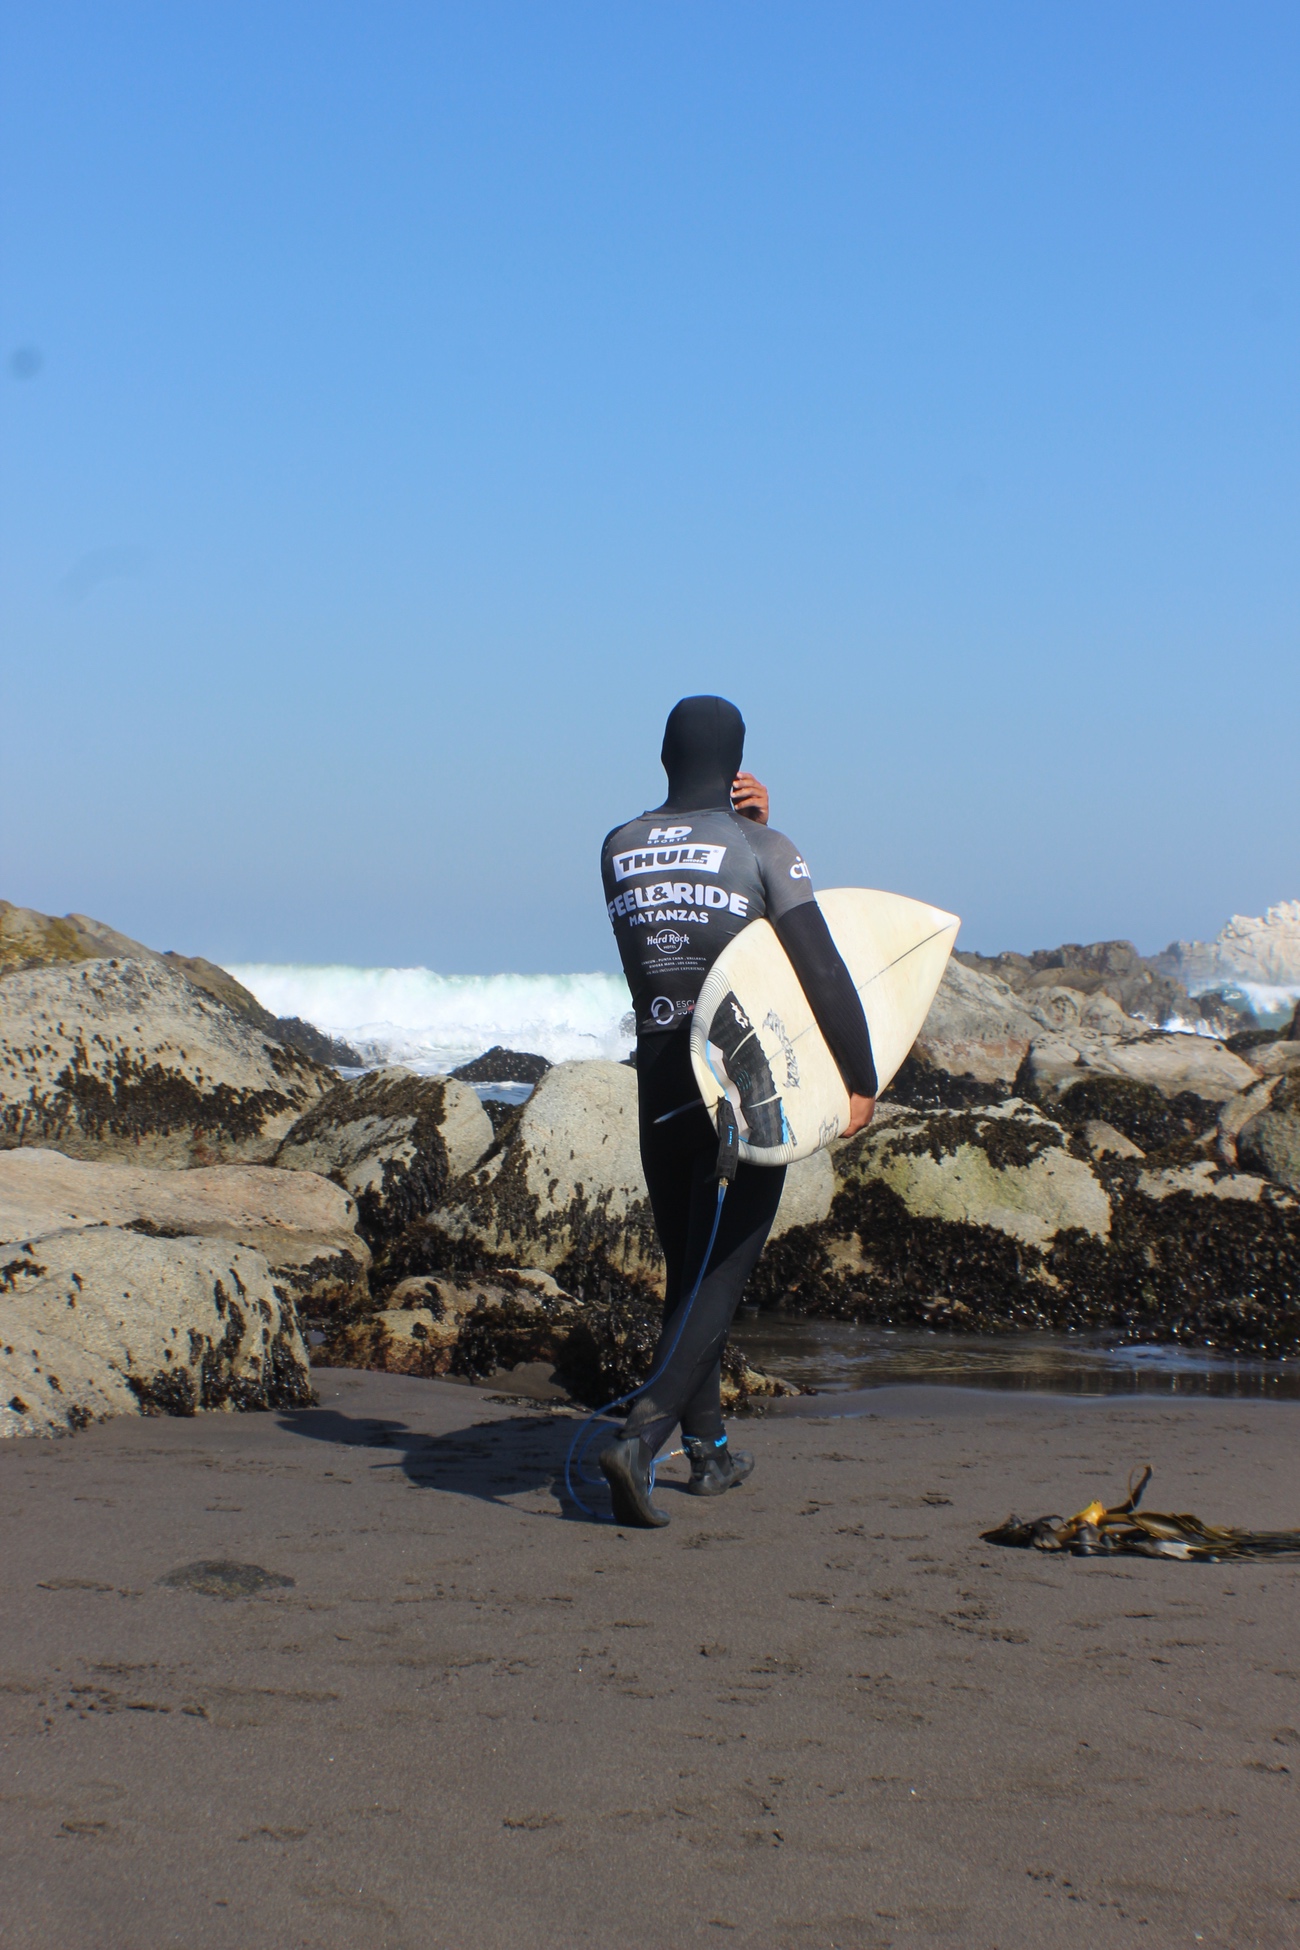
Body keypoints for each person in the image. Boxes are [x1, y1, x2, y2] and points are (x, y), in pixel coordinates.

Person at [597, 695, 877, 1528]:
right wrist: (859, 1077)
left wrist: (733, 823)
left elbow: (691, 918)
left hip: (658, 1080)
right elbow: (817, 968)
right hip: (735, 1085)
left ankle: (710, 1451)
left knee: (690, 1270)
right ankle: (640, 1442)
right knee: (720, 1277)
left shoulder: (616, 847)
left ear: (663, 757)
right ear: (737, 763)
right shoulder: (765, 848)